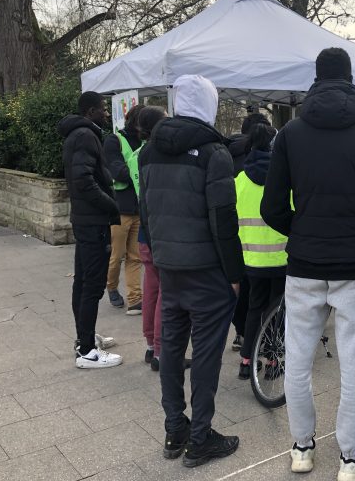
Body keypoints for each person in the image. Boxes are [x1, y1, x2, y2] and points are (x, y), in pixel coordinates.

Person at [261, 47, 355, 481]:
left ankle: (302, 449)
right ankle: (349, 459)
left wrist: (302, 231)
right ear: (351, 78)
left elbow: (271, 207)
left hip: (304, 264)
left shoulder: (290, 134)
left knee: (298, 363)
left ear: (316, 79)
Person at [139, 74, 244, 468]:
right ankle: (200, 437)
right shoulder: (214, 152)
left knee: (170, 348)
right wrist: (234, 273)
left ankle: (174, 428)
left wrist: (161, 253)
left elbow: (146, 210)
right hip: (207, 271)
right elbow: (223, 219)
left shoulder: (149, 151)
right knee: (205, 355)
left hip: (169, 267)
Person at [57, 91, 123, 369]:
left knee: (83, 281)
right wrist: (110, 205)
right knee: (92, 285)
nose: (106, 114)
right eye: (102, 109)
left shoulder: (79, 133)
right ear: (90, 111)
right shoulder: (85, 135)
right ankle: (87, 352)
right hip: (93, 221)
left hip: (85, 219)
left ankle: (84, 338)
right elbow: (83, 179)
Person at [235, 123, 287, 380]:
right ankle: (273, 360)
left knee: (254, 308)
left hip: (251, 258)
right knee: (277, 311)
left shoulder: (240, 180)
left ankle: (246, 361)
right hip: (281, 257)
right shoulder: (283, 177)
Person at [227, 111, 271, 353]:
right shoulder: (274, 166)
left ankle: (242, 334)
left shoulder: (226, 157)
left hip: (240, 242)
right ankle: (266, 341)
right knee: (266, 298)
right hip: (273, 249)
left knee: (243, 293)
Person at [133, 105, 167, 370]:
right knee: (165, 293)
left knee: (151, 290)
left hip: (145, 232)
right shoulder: (157, 152)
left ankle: (149, 345)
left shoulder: (143, 153)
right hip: (157, 233)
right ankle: (160, 350)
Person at [103, 105, 144, 314]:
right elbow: (119, 172)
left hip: (138, 209)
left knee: (135, 256)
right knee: (117, 255)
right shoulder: (114, 140)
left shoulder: (145, 142)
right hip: (120, 209)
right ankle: (111, 286)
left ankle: (135, 299)